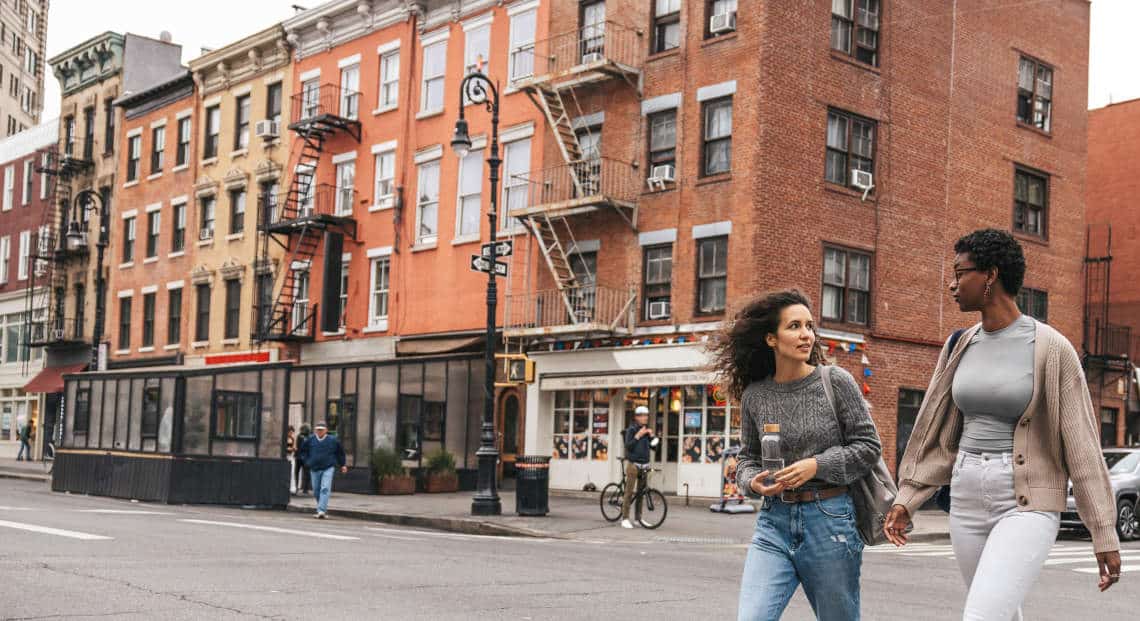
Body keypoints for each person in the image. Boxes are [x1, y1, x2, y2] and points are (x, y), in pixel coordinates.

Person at [884, 229, 1123, 618]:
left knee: (981, 615)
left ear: (991, 275)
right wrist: (908, 498)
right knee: (1001, 612)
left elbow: (1082, 447)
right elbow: (934, 433)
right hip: (965, 494)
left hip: (1025, 503)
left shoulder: (1052, 348)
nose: (952, 283)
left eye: (961, 273)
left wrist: (1103, 532)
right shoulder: (958, 344)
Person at [715, 289, 882, 621]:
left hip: (830, 520)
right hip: (773, 523)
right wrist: (753, 482)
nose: (806, 334)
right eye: (794, 326)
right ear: (771, 339)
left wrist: (817, 464)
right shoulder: (755, 395)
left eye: (809, 326)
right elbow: (747, 457)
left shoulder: (836, 381)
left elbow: (868, 447)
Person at [297, 422, 346, 518]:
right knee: (316, 490)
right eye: (318, 429)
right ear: (315, 430)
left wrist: (342, 464)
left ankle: (321, 510)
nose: (320, 431)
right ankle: (322, 506)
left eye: (321, 429)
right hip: (314, 468)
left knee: (325, 488)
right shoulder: (310, 440)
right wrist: (307, 461)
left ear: (326, 430)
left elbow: (340, 452)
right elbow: (303, 451)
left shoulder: (333, 440)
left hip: (328, 467)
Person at [620, 405, 654, 529]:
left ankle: (638, 518)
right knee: (629, 492)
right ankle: (625, 518)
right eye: (643, 415)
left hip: (645, 464)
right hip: (633, 464)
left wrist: (652, 437)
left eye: (646, 415)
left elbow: (654, 447)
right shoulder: (631, 430)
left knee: (641, 493)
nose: (645, 418)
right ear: (637, 417)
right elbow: (628, 446)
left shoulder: (646, 430)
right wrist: (638, 436)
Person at [294, 424, 312, 495]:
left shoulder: (309, 437)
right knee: (299, 473)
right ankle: (298, 487)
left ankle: (305, 488)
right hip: (301, 457)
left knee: (306, 473)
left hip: (303, 457)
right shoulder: (300, 436)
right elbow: (299, 446)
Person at [286, 426, 297, 495]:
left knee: (292, 472)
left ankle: (292, 488)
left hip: (291, 456)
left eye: (292, 432)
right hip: (286, 456)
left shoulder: (292, 438)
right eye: (290, 432)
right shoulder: (284, 438)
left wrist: (293, 449)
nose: (291, 434)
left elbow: (294, 447)